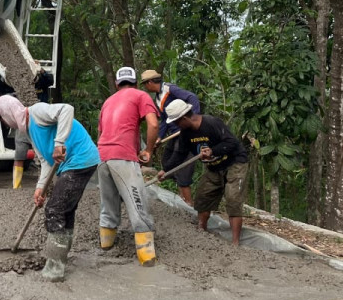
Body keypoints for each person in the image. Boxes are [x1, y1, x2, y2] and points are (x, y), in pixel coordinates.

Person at [0, 95, 100, 282]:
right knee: (65, 210)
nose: (5, 123)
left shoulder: (36, 112)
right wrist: (40, 188)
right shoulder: (29, 131)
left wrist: (59, 143)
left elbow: (66, 109)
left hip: (80, 158)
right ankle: (61, 256)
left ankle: (55, 267)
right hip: (74, 163)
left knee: (54, 209)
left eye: (3, 119)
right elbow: (45, 161)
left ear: (7, 113)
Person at [97, 67, 159, 267]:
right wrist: (148, 150)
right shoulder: (141, 96)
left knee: (108, 202)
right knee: (137, 202)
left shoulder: (108, 102)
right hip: (122, 155)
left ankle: (106, 243)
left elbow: (102, 131)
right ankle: (146, 256)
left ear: (117, 84)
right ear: (135, 83)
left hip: (102, 155)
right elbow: (153, 124)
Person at [165, 99, 249, 245]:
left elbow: (232, 142)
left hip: (234, 163)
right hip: (213, 167)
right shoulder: (185, 133)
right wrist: (165, 170)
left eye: (177, 122)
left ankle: (235, 243)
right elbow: (180, 154)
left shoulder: (211, 123)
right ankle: (201, 231)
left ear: (184, 118)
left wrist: (213, 151)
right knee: (203, 197)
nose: (176, 125)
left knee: (233, 199)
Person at [141, 69, 201, 206]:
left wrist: (194, 120)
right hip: (174, 134)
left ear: (150, 82)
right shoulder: (158, 97)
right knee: (167, 161)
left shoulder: (170, 89)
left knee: (183, 169)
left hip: (184, 134)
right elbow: (164, 120)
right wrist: (159, 137)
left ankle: (188, 204)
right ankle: (181, 197)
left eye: (145, 84)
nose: (145, 87)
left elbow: (192, 98)